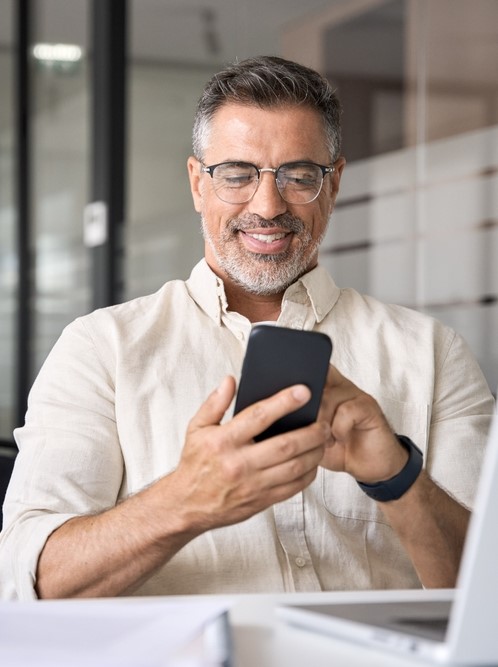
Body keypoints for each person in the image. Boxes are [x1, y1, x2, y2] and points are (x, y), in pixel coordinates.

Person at [0, 56, 494, 600]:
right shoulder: (100, 350)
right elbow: (29, 583)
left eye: (299, 176)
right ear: (196, 184)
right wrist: (186, 499)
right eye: (237, 174)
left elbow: (490, 592)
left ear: (333, 186)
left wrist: (398, 478)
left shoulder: (431, 352)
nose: (267, 205)